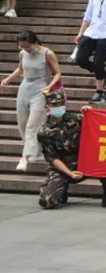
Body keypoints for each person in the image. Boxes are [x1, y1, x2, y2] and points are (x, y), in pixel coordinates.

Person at [36, 89, 106, 210]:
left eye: (61, 103)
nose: (58, 107)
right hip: (62, 168)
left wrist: (90, 112)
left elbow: (98, 124)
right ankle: (61, 191)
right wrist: (70, 173)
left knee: (105, 156)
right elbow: (53, 159)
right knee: (47, 201)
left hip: (83, 163)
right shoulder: (44, 133)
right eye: (54, 105)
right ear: (47, 107)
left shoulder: (75, 119)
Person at [2, 30, 62, 171]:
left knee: (32, 126)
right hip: (24, 90)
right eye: (21, 46)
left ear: (35, 42)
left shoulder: (48, 53)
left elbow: (58, 73)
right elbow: (20, 69)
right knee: (22, 124)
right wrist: (8, 79)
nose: (25, 49)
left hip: (40, 91)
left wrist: (49, 86)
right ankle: (34, 151)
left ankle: (24, 158)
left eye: (27, 46)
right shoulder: (23, 53)